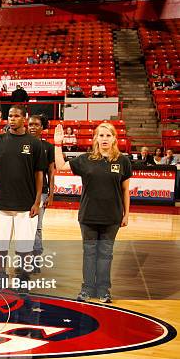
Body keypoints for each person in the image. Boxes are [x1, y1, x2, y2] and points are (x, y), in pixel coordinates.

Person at [53, 122, 131, 303]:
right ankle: (87, 289)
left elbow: (125, 190)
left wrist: (126, 214)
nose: (104, 139)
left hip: (112, 217)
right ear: (95, 138)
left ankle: (103, 290)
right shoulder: (85, 159)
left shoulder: (122, 161)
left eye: (108, 135)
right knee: (89, 253)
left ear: (114, 139)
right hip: (88, 215)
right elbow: (61, 166)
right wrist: (58, 144)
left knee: (105, 254)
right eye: (101, 135)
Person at [0, 107, 47, 291]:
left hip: (26, 203)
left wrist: (37, 201)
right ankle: (1, 273)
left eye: (16, 116)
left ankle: (23, 276)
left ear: (24, 118)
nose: (12, 119)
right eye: (10, 116)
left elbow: (39, 174)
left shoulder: (35, 143)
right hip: (1, 201)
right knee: (1, 242)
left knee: (24, 245)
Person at [28, 115, 55, 272]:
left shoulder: (48, 147)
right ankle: (25, 258)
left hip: (42, 192)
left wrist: (51, 193)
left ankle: (36, 259)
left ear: (42, 127)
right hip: (24, 191)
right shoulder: (22, 143)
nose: (32, 127)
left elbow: (51, 172)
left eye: (36, 124)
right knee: (25, 227)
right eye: (30, 124)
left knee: (37, 227)